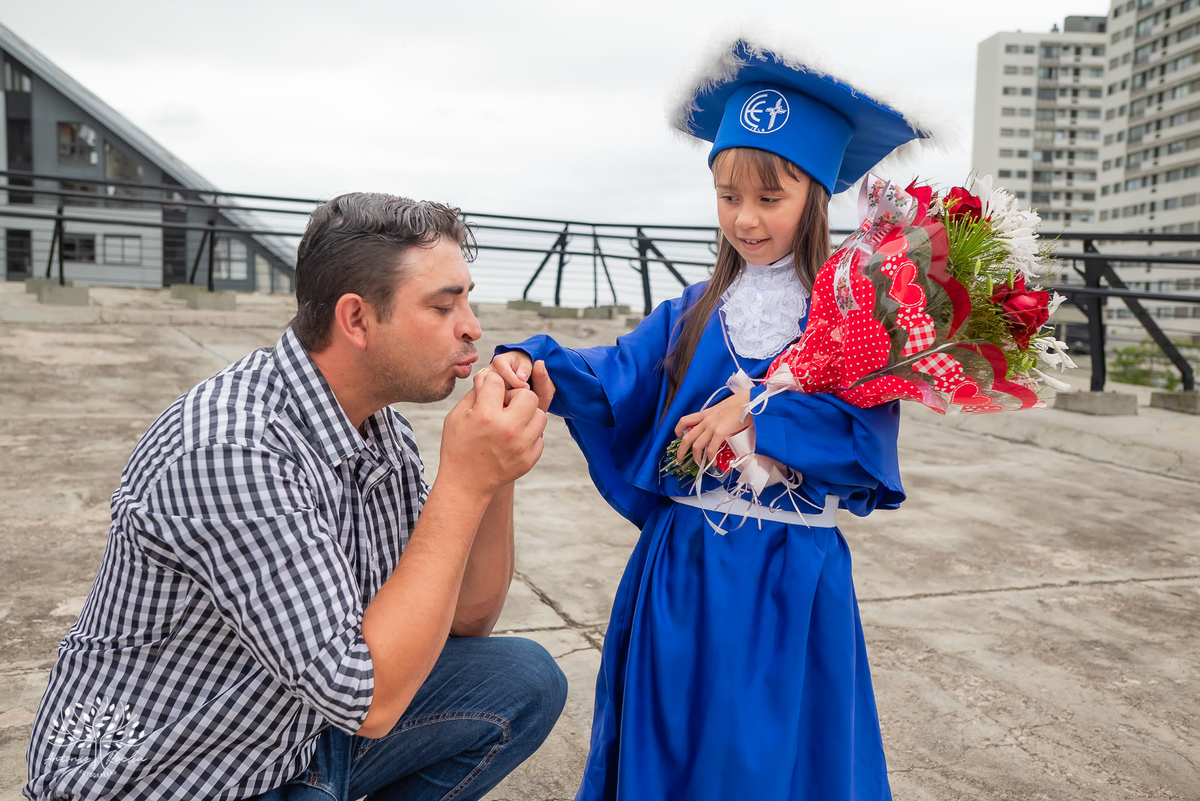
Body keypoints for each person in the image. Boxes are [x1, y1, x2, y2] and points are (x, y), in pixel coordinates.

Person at [488, 39, 932, 800]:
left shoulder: (857, 321)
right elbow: (614, 377)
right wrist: (539, 366)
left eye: (770, 197)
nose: (745, 218)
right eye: (728, 195)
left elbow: (865, 449)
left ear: (817, 196)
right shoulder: (694, 311)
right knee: (674, 741)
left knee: (768, 758)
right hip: (684, 566)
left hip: (790, 576)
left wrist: (755, 419)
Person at [25, 193, 567, 801]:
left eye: (466, 298)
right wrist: (464, 483)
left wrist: (492, 476)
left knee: (525, 678)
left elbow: (468, 619)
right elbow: (368, 701)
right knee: (381, 695)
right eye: (444, 306)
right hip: (170, 771)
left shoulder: (374, 424)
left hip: (287, 731)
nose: (472, 326)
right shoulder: (232, 447)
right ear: (357, 320)